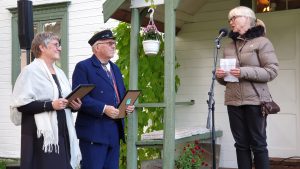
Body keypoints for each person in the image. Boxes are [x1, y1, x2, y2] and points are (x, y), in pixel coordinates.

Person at [215, 6, 279, 169]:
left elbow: (271, 71)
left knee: (258, 144)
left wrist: (243, 72)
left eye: (233, 18)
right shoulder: (229, 46)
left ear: (246, 18)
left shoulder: (262, 42)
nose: (230, 22)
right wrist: (221, 76)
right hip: (233, 100)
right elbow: (226, 80)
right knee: (241, 144)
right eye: (229, 19)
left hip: (256, 100)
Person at [10, 32, 82, 169]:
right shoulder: (30, 71)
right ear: (42, 47)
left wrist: (74, 106)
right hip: (41, 136)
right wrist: (50, 105)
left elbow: (63, 101)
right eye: (56, 45)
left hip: (62, 133)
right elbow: (22, 105)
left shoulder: (60, 73)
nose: (59, 48)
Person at [72, 29, 135, 169]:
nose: (114, 46)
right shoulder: (83, 67)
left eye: (114, 43)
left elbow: (121, 94)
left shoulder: (115, 68)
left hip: (114, 132)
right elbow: (80, 98)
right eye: (109, 43)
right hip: (94, 133)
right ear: (97, 47)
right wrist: (104, 108)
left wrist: (128, 105)